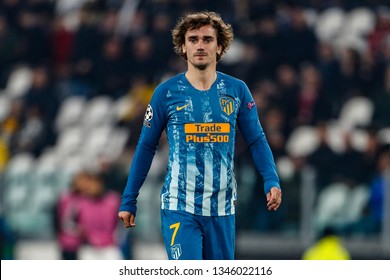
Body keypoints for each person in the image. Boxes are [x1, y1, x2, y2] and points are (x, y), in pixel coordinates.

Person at [118, 11, 282, 260]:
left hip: (222, 208)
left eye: (207, 39)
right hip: (179, 206)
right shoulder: (166, 93)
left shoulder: (237, 91)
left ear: (220, 46)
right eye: (193, 39)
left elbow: (257, 139)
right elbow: (146, 146)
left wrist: (271, 179)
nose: (200, 45)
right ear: (183, 47)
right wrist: (129, 199)